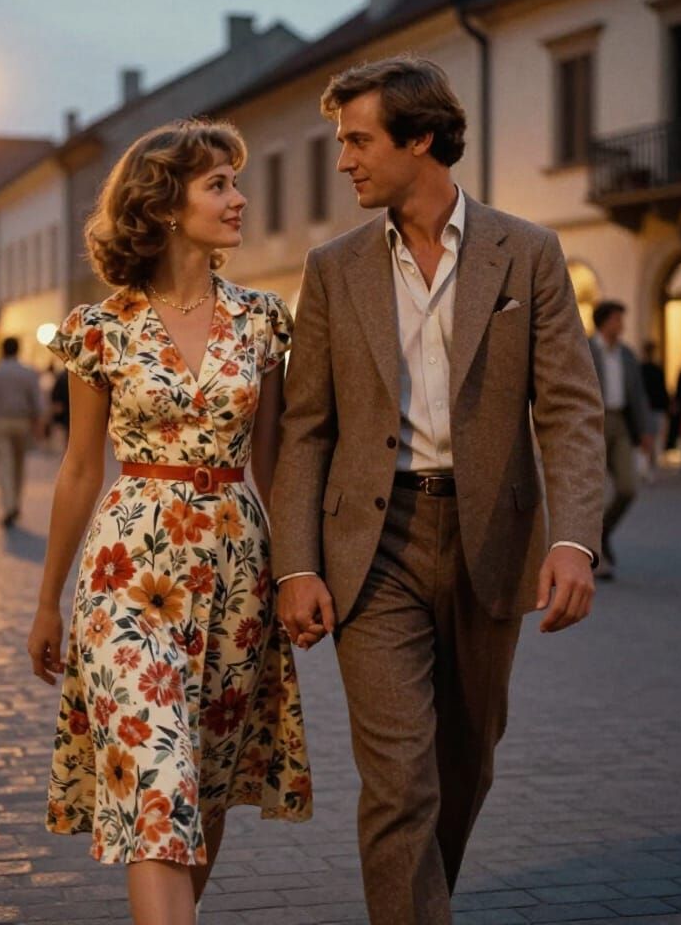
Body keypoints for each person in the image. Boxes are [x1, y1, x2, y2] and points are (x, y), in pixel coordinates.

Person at [270, 56, 604, 925]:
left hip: (490, 537)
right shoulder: (333, 267)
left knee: (465, 762)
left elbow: (569, 407)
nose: (343, 160)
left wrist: (574, 539)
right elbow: (306, 428)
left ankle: (422, 900)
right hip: (371, 546)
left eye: (357, 140)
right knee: (398, 779)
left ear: (421, 139)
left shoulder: (527, 252)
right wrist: (294, 565)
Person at [26, 119, 311, 925]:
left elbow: (274, 464)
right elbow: (80, 469)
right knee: (159, 782)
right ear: (165, 203)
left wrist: (298, 574)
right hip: (129, 572)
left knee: (205, 784)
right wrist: (48, 600)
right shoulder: (100, 328)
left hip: (236, 574)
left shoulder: (261, 321)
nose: (238, 197)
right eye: (218, 183)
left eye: (235, 180)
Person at [588, 300, 654, 576]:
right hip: (592, 424)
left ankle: (602, 533)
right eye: (617, 319)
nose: (622, 325)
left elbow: (637, 395)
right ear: (604, 321)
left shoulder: (626, 354)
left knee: (628, 487)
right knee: (594, 493)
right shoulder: (586, 349)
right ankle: (595, 557)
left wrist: (645, 430)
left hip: (621, 423)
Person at [0, 337, 43, 528]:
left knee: (4, 466)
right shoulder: (29, 373)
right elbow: (38, 403)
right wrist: (38, 424)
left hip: (0, 421)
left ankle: (9, 506)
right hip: (22, 421)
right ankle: (16, 503)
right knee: (19, 465)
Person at [640, 341, 670, 478]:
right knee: (654, 438)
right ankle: (652, 465)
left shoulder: (642, 369)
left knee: (650, 437)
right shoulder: (655, 369)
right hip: (655, 407)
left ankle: (649, 465)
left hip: (650, 407)